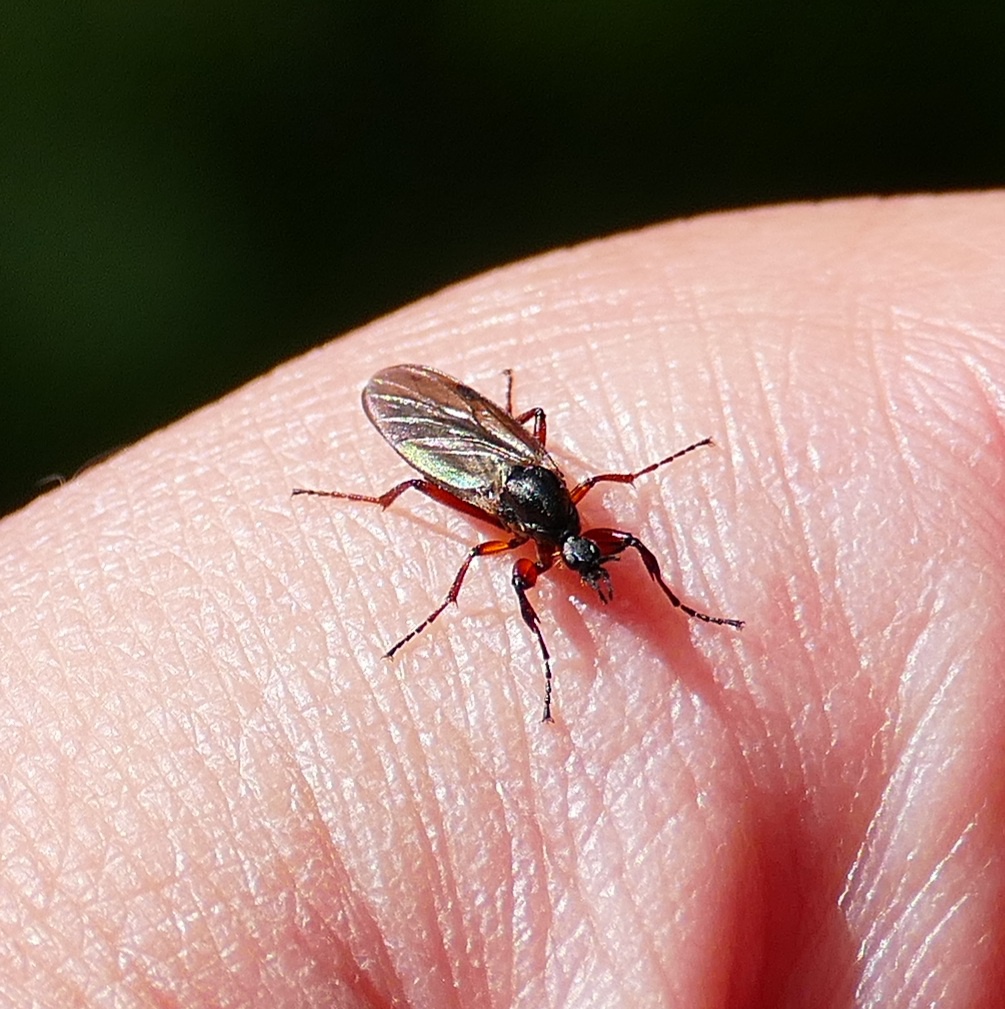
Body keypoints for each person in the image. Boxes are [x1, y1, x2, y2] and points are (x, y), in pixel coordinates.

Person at [2, 193, 1002, 1006]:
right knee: (461, 537)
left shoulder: (569, 507)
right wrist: (507, 640)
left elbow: (601, 515)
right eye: (574, 558)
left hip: (517, 463)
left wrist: (669, 594)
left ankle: (641, 606)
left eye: (578, 556)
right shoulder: (519, 535)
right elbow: (497, 523)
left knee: (588, 491)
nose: (581, 565)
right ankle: (420, 564)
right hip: (480, 465)